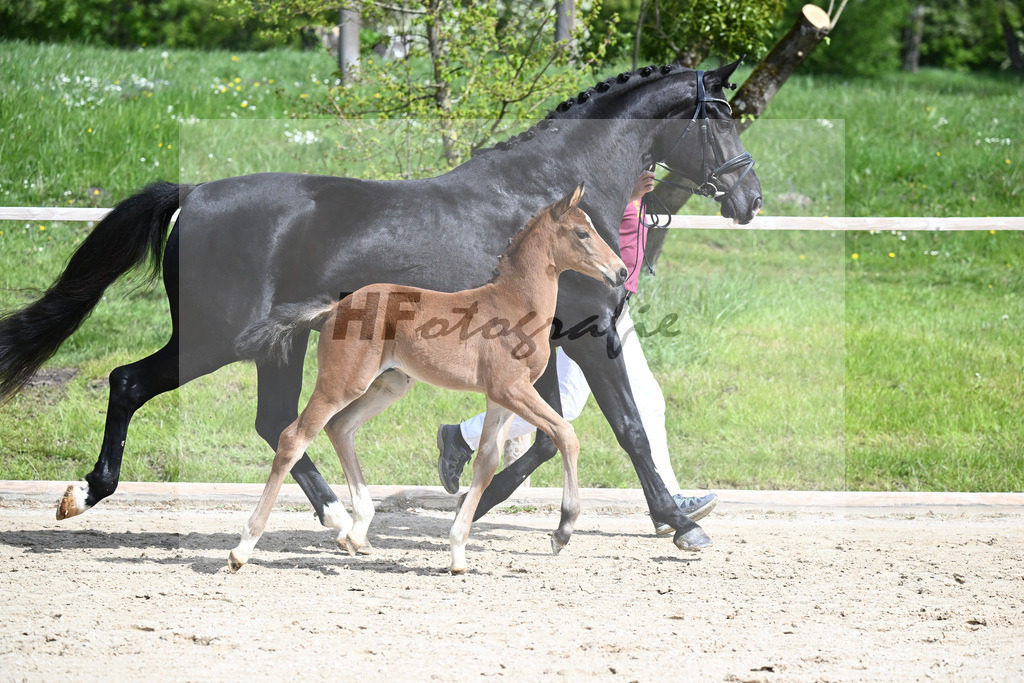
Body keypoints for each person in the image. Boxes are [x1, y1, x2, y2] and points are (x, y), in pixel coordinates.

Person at [436, 170, 717, 533]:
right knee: (568, 403)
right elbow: (583, 230)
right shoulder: (619, 175)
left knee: (645, 399)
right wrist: (627, 195)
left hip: (613, 303)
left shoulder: (640, 167)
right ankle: (462, 435)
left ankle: (668, 498)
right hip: (587, 304)